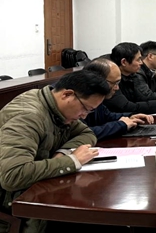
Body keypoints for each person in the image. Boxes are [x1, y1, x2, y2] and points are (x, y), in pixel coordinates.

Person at [0, 70, 109, 232]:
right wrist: (72, 161)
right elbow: (13, 176)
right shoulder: (27, 117)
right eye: (85, 108)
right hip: (13, 208)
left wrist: (63, 154)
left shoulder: (56, 109)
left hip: (36, 192)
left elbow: (87, 134)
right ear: (67, 94)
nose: (84, 116)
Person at [83, 58, 154, 141]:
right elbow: (84, 133)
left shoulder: (97, 100)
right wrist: (121, 125)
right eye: (115, 83)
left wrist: (130, 116)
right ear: (97, 81)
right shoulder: (78, 101)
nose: (117, 88)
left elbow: (108, 116)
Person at [104, 43, 156, 114]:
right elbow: (125, 106)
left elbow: (139, 99)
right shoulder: (110, 79)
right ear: (124, 62)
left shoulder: (132, 76)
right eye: (138, 59)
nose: (141, 63)